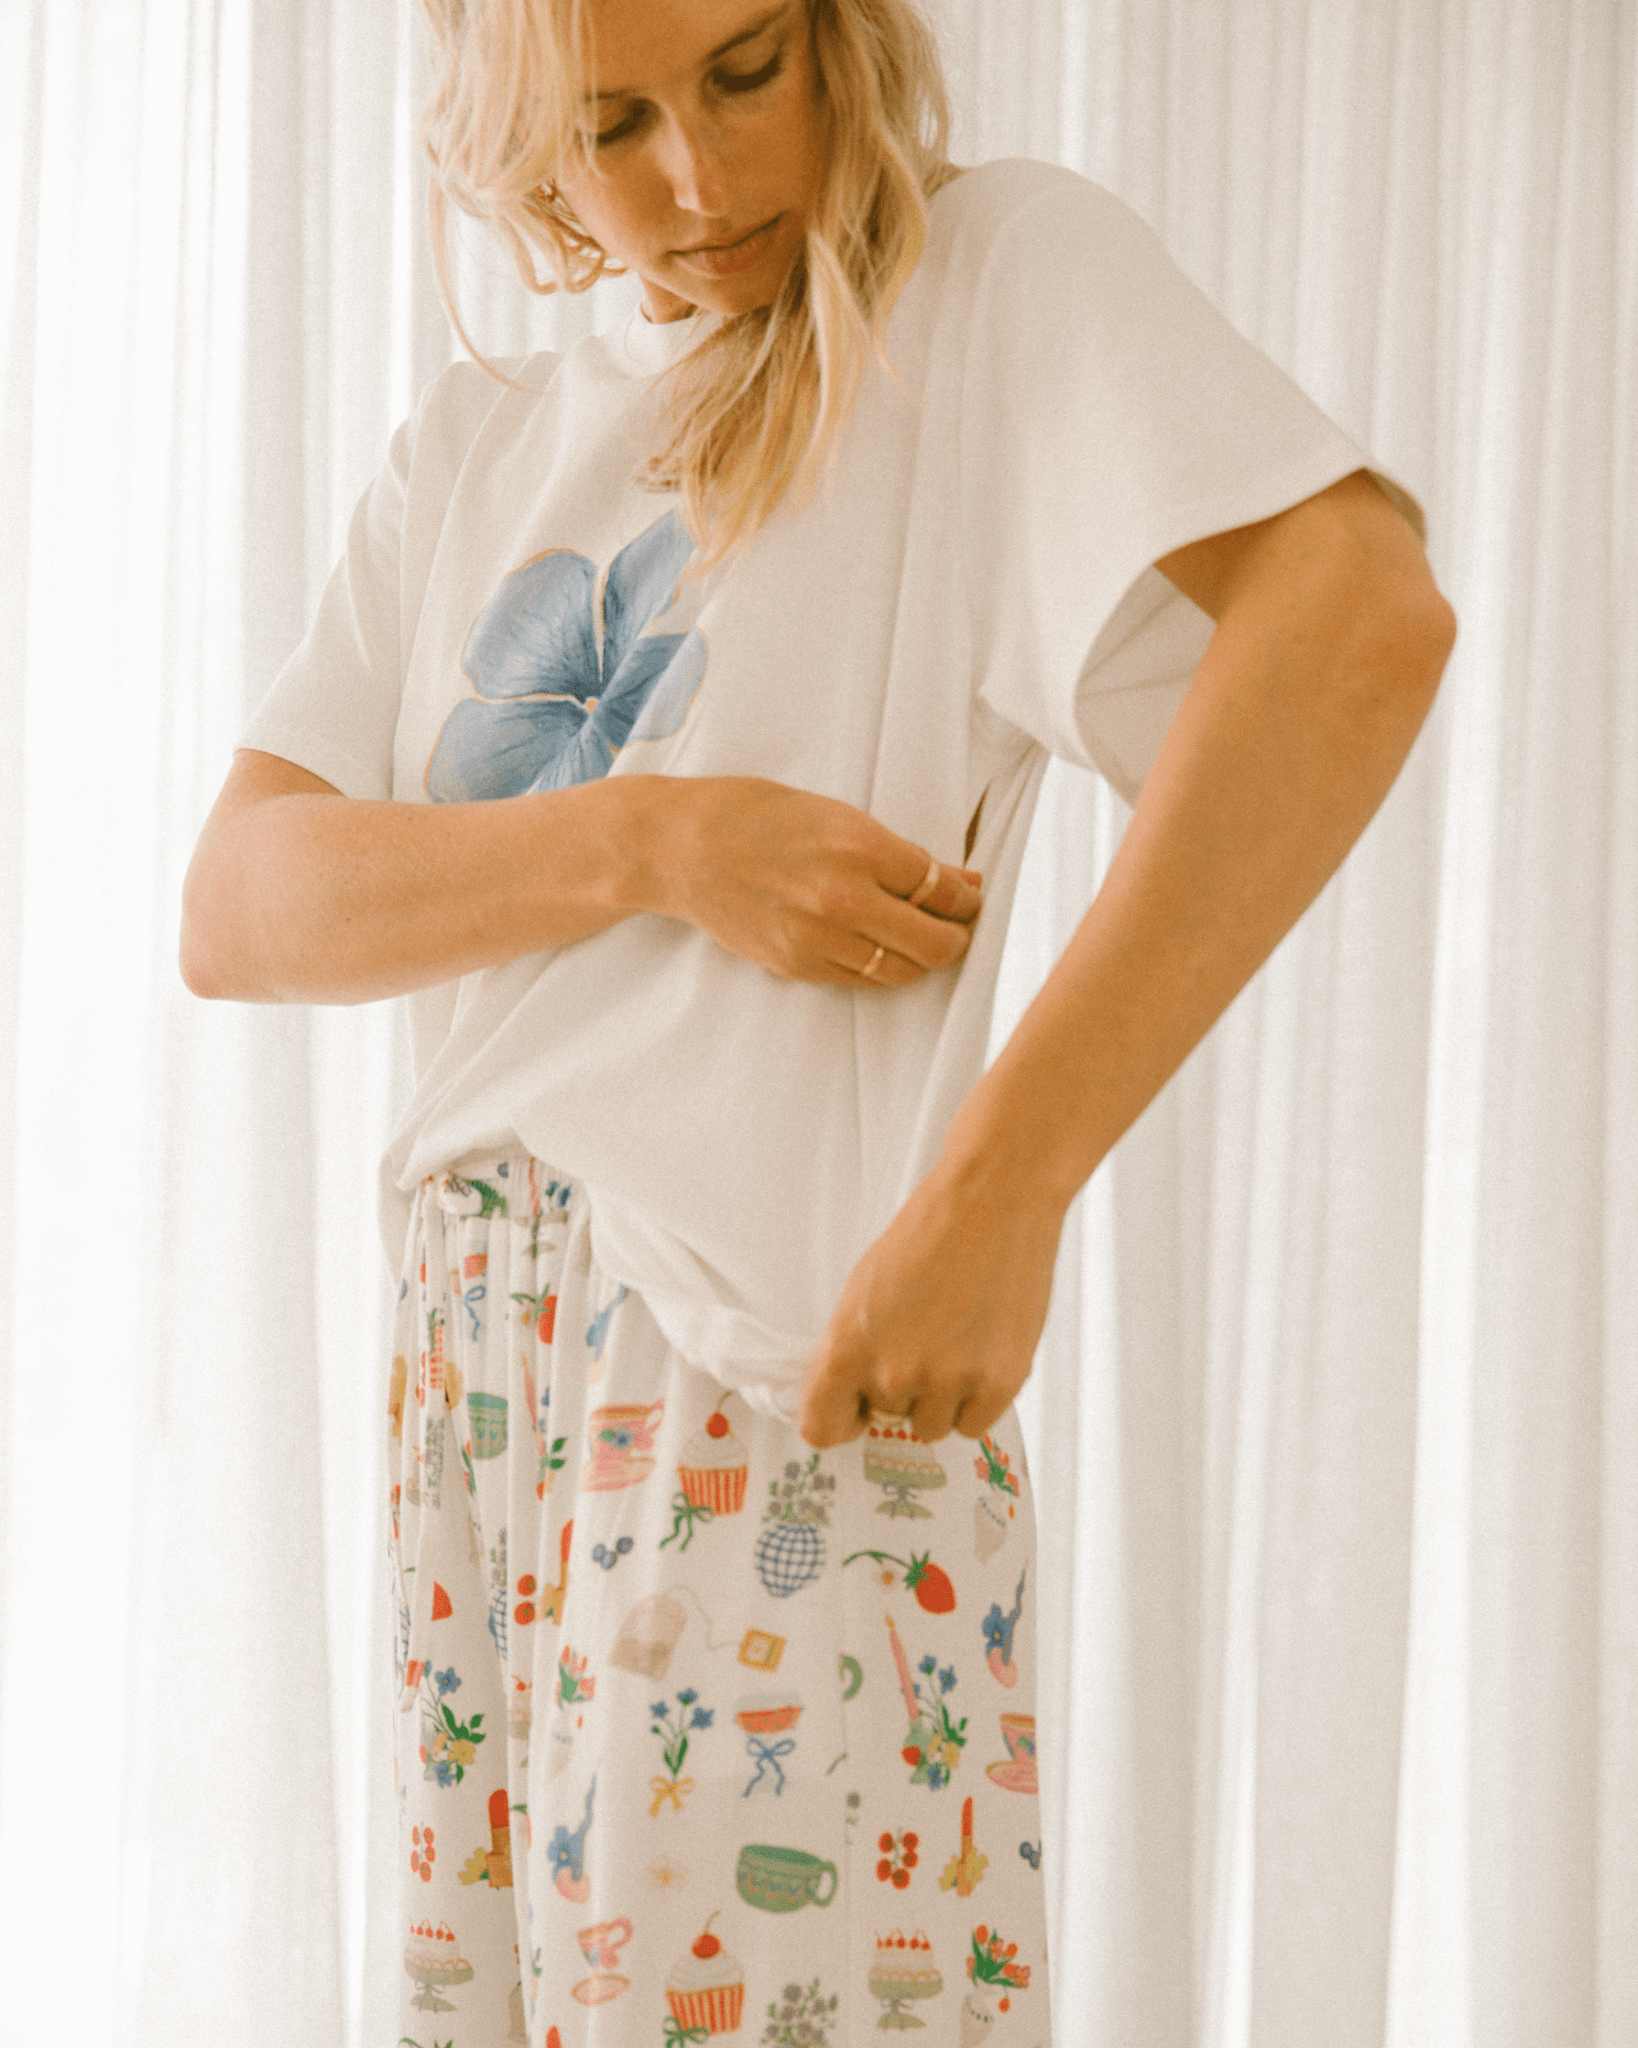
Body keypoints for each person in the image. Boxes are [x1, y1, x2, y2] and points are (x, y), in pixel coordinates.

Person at [180, 0, 1456, 2040]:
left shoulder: (993, 287)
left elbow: (1359, 615)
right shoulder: (475, 440)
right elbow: (240, 908)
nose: (696, 176)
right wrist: (653, 839)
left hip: (739, 1384)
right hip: (470, 1388)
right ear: (518, 141)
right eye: (610, 122)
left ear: (842, 34)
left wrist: (1004, 1183)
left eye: (745, 70)